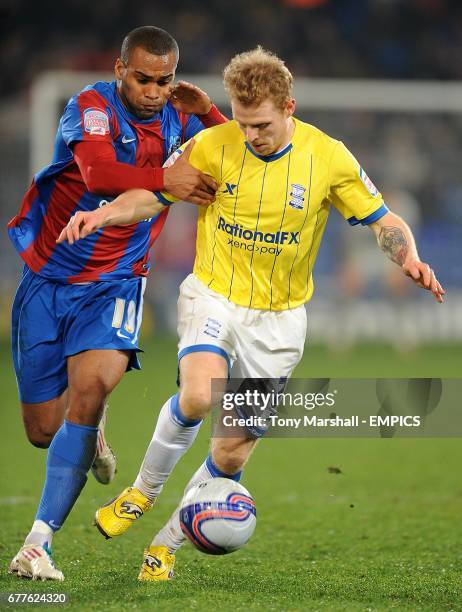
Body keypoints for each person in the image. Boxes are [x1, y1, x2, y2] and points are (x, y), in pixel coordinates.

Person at [56, 47, 444, 582]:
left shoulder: (328, 157)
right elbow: (154, 194)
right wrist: (102, 214)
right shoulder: (214, 144)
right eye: (241, 123)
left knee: (231, 455)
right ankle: (141, 493)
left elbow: (382, 219)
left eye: (260, 124)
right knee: (197, 394)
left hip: (280, 321)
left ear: (289, 106)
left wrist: (410, 257)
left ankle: (167, 544)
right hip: (215, 295)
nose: (250, 135)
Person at [7, 25, 227, 581]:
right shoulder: (91, 106)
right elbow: (100, 175)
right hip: (47, 278)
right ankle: (91, 430)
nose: (155, 91)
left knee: (93, 386)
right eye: (144, 78)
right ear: (120, 70)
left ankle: (38, 544)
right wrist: (169, 178)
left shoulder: (181, 117)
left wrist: (212, 115)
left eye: (166, 80)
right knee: (42, 430)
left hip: (117, 282)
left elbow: (242, 158)